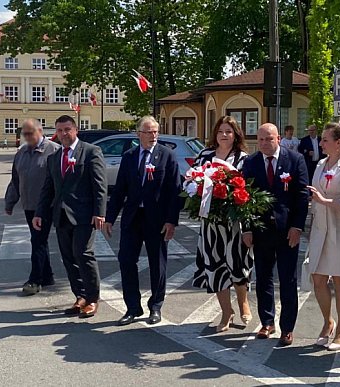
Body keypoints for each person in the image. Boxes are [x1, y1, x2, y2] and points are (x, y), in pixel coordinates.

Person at [104, 116, 182, 326]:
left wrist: (171, 221)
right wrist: (110, 218)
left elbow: (175, 191)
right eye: (148, 132)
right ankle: (132, 307)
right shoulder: (129, 156)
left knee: (158, 264)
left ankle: (155, 306)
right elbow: (120, 189)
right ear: (138, 134)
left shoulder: (167, 155)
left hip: (157, 219)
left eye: (156, 131)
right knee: (126, 260)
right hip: (133, 218)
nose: (153, 135)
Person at [241, 123, 309, 347]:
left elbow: (301, 196)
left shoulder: (295, 159)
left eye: (268, 139)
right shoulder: (250, 162)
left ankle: (287, 328)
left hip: (287, 230)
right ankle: (267, 322)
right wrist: (248, 228)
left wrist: (297, 227)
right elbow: (245, 198)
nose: (264, 143)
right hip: (261, 232)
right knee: (263, 278)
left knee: (288, 280)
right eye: (260, 139)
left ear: (278, 138)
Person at [34, 115, 107, 318]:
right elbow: (48, 189)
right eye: (60, 130)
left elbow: (99, 185)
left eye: (67, 130)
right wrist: (40, 213)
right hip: (61, 215)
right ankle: (80, 296)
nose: (64, 134)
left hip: (84, 215)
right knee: (68, 258)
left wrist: (99, 212)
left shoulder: (91, 152)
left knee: (83, 254)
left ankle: (92, 299)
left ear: (75, 130)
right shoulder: (54, 157)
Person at [190, 116, 253, 332]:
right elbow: (192, 181)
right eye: (220, 131)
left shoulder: (244, 159)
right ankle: (226, 312)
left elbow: (248, 190)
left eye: (228, 131)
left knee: (237, 265)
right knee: (215, 266)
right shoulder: (204, 156)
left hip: (234, 223)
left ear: (236, 134)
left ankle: (243, 301)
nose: (224, 135)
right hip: (211, 223)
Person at [303, 122, 340, 352]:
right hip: (320, 229)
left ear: (339, 143)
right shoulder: (320, 164)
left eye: (325, 140)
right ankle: (328, 321)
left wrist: (327, 202)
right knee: (318, 278)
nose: (320, 143)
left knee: (339, 281)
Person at [5, 119, 61, 295]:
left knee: (37, 241)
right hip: (29, 205)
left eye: (30, 133)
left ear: (40, 131)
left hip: (47, 205)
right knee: (39, 240)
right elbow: (16, 180)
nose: (27, 137)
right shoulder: (22, 152)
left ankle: (35, 280)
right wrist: (10, 201)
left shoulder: (54, 150)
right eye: (25, 134)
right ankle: (47, 275)